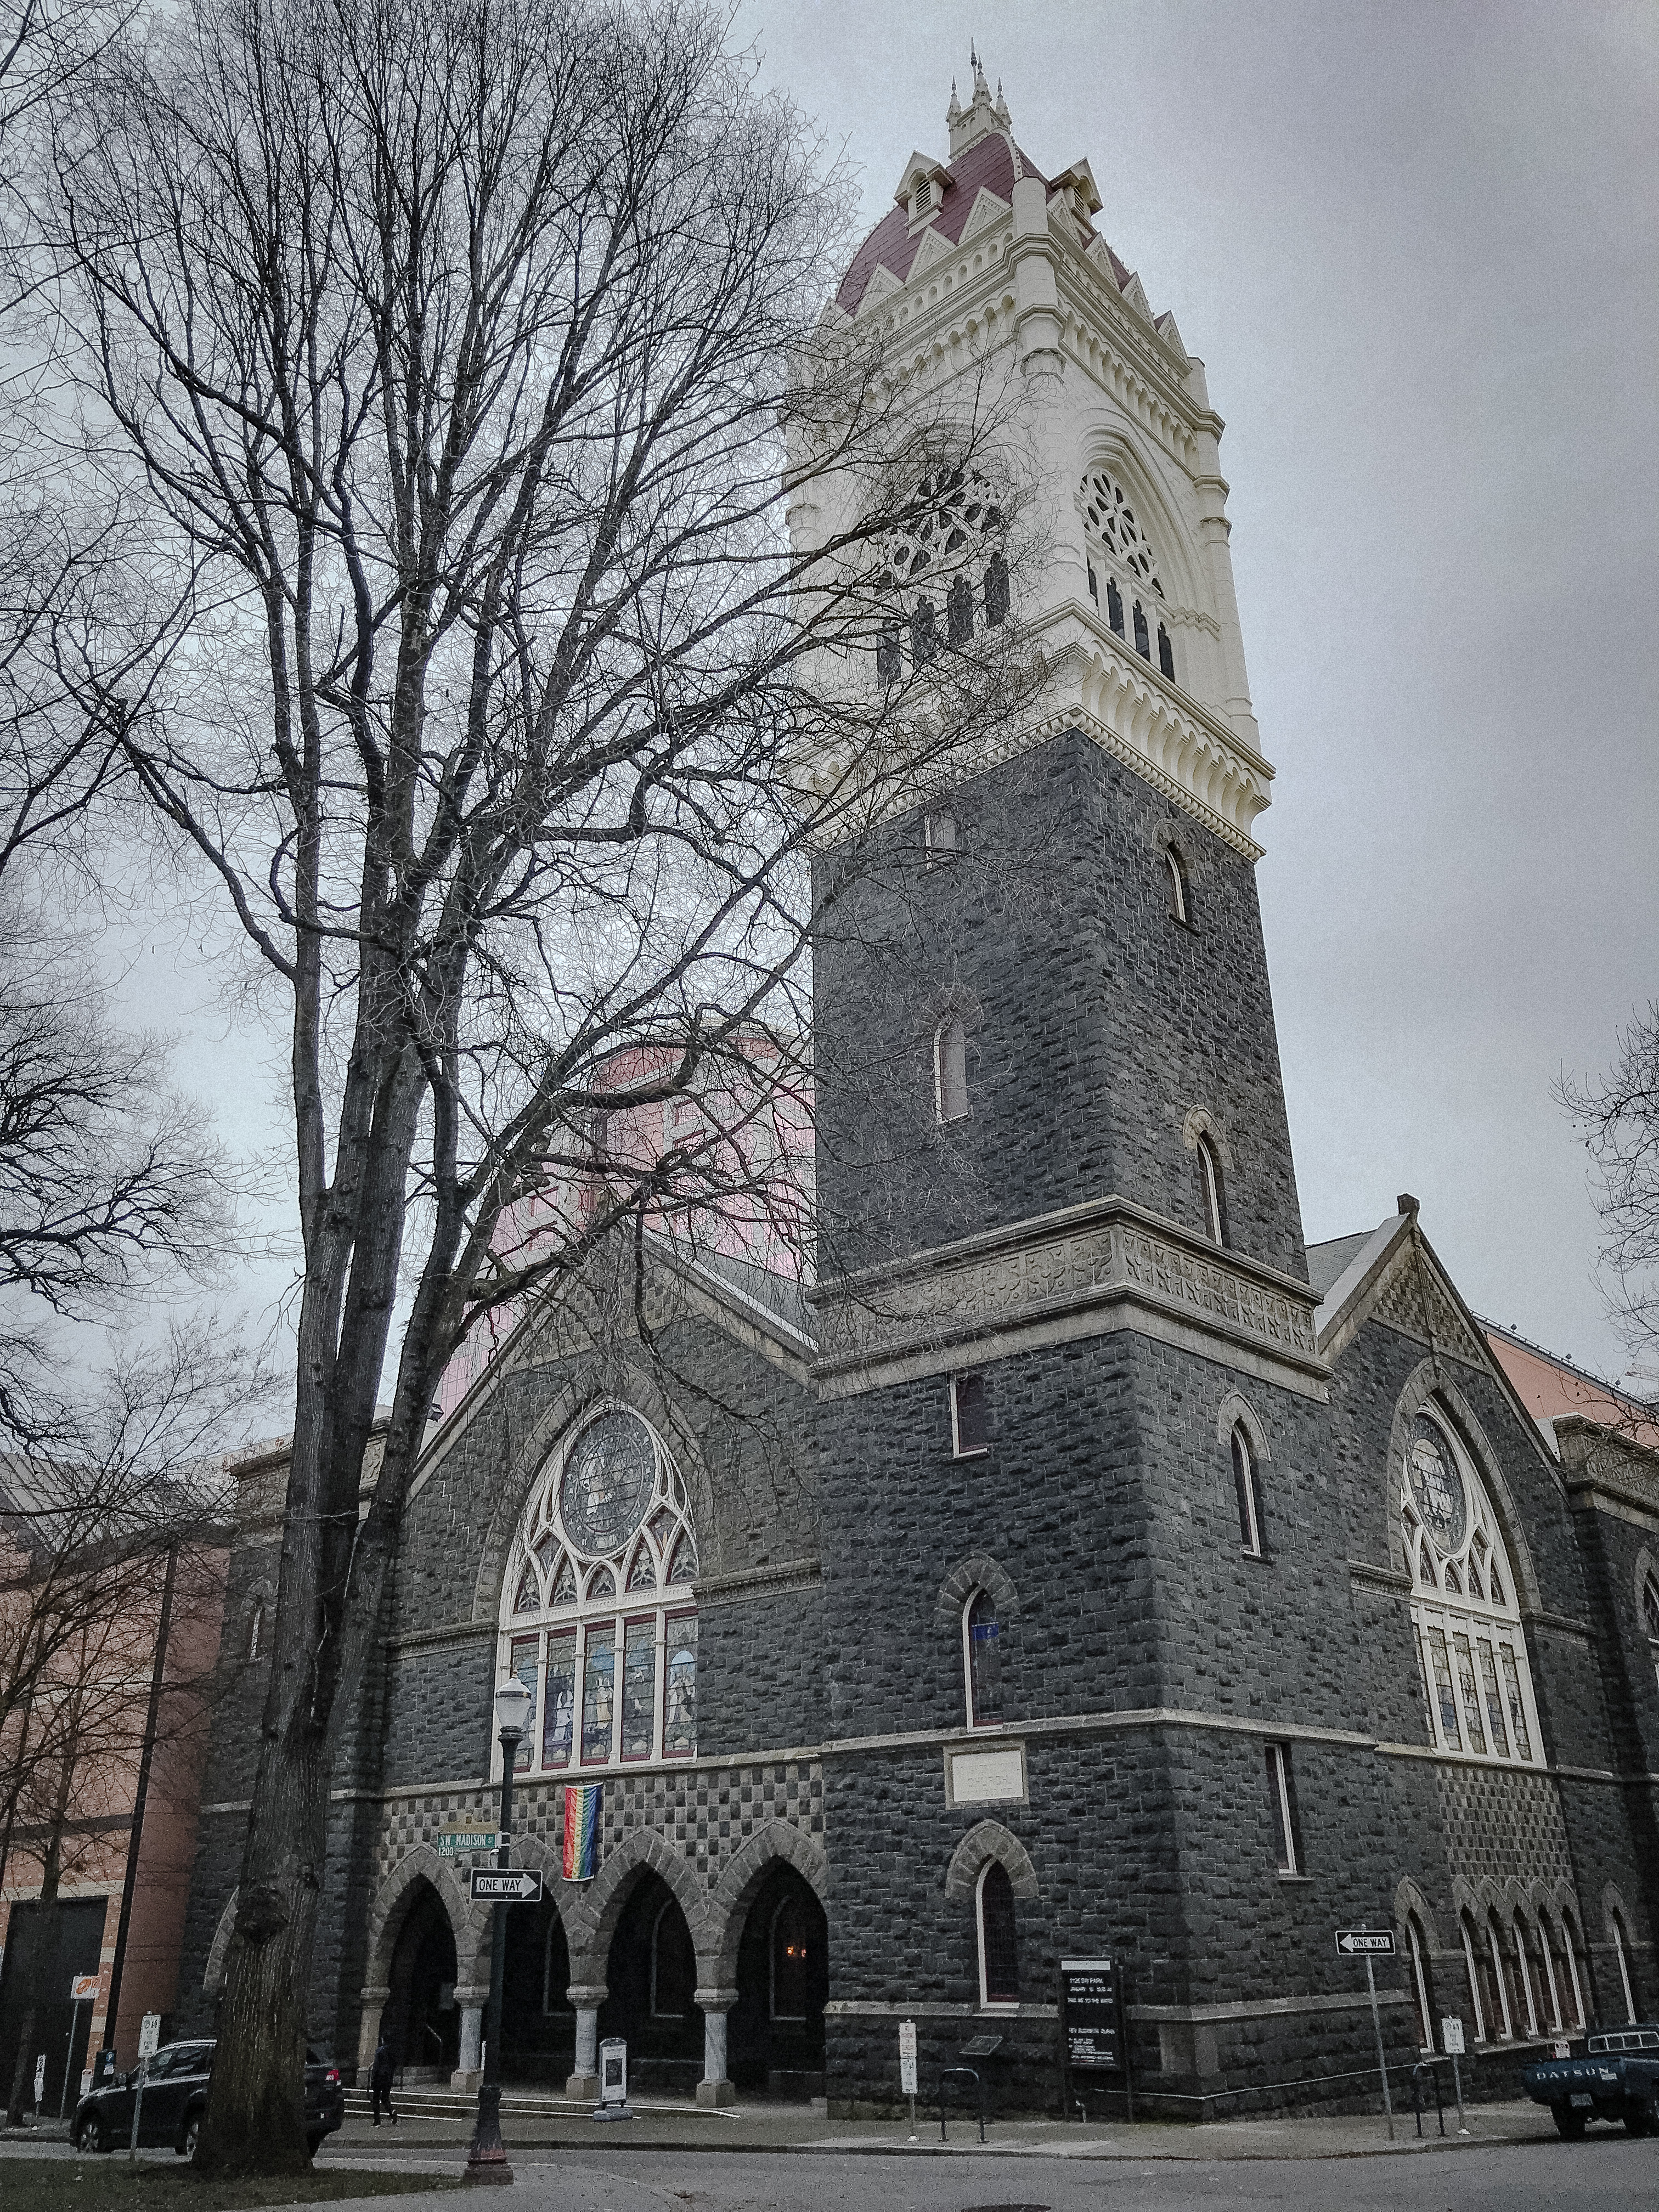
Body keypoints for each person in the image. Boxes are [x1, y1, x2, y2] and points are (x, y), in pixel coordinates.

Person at [370, 2037, 398, 2126]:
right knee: (385, 2097)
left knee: (376, 2099)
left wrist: (373, 2079)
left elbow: (377, 2066)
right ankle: (391, 2111)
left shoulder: (380, 2051)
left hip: (379, 2078)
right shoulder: (393, 2052)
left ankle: (377, 2121)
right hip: (388, 2078)